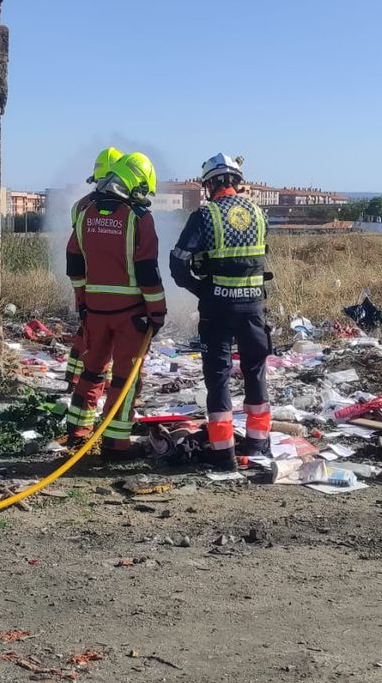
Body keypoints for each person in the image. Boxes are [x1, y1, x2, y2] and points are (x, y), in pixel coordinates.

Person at [170, 153, 272, 470]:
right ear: (237, 183)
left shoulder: (205, 216)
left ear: (209, 185)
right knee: (256, 373)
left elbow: (178, 262)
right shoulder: (259, 214)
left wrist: (202, 287)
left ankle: (222, 452)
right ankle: (259, 446)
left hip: (218, 307)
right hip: (254, 306)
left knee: (218, 378)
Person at [64, 152, 166, 458]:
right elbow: (148, 271)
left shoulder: (86, 212)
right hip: (130, 317)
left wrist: (83, 302)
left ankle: (77, 431)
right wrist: (158, 312)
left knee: (92, 372)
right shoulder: (139, 218)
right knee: (125, 378)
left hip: (95, 312)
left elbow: (74, 264)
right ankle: (115, 442)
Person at [65, 147, 123, 389]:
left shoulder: (80, 206)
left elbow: (75, 248)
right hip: (116, 286)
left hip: (87, 283)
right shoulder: (125, 209)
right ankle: (101, 381)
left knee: (87, 331)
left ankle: (73, 378)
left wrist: (79, 292)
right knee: (111, 338)